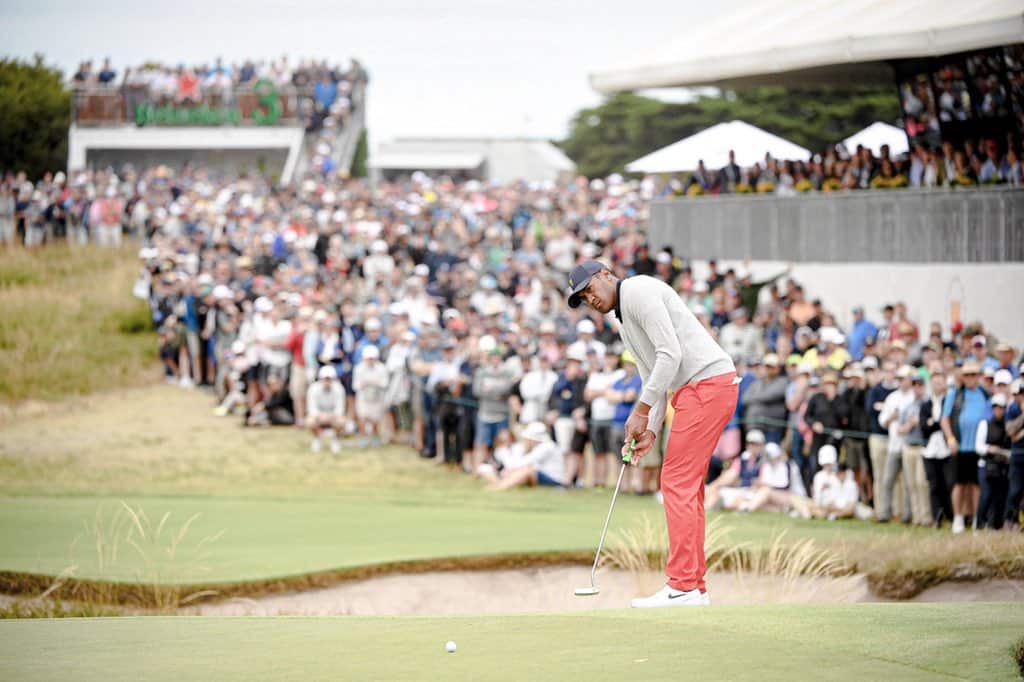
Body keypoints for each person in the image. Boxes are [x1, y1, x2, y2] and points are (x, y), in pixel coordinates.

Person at [567, 260, 737, 608]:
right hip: (696, 390)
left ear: (605, 274)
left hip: (706, 385)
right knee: (685, 484)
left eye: (590, 290)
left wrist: (640, 410)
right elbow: (654, 381)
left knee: (676, 481)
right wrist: (650, 428)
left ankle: (684, 586)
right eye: (583, 298)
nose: (591, 299)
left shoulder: (639, 291)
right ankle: (693, 586)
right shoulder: (625, 320)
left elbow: (670, 354)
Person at [941, 361, 990, 533]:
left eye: (974, 375)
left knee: (976, 484)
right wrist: (950, 439)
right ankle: (958, 518)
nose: (970, 378)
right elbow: (945, 418)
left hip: (978, 447)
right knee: (959, 483)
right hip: (960, 446)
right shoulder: (955, 394)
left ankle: (977, 518)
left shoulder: (983, 394)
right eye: (967, 375)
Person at [877, 366, 916, 523]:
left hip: (908, 445)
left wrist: (907, 424)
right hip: (893, 445)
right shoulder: (892, 397)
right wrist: (891, 418)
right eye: (899, 379)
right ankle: (884, 513)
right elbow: (882, 421)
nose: (901, 382)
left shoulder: (914, 397)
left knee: (908, 482)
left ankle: (908, 515)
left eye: (903, 379)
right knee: (887, 480)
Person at [584, 349, 624, 487]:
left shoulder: (620, 374)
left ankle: (612, 482)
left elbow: (618, 394)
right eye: (608, 357)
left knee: (613, 452)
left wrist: (601, 392)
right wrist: (606, 391)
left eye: (612, 357)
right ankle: (598, 481)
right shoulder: (596, 374)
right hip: (597, 418)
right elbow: (588, 395)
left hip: (612, 418)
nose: (610, 360)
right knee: (598, 452)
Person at [920, 371, 954, 526]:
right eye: (934, 383)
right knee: (933, 484)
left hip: (946, 449)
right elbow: (924, 426)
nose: (937, 386)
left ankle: (950, 514)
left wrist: (933, 422)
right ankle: (937, 517)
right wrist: (936, 424)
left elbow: (944, 422)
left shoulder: (949, 401)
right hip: (930, 450)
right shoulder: (926, 404)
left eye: (940, 383)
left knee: (947, 483)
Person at [488, 422, 564, 490]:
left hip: (554, 480)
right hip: (542, 476)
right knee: (525, 470)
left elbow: (527, 461)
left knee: (527, 470)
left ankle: (500, 487)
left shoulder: (547, 446)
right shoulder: (543, 446)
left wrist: (511, 469)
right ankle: (500, 485)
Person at [975, 393, 1011, 530]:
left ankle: (995, 525)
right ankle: (979, 524)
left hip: (1001, 466)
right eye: (996, 407)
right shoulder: (985, 424)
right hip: (986, 465)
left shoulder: (1006, 426)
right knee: (986, 496)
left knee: (999, 498)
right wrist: (990, 449)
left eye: (1002, 407)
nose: (999, 410)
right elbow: (978, 447)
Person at [705, 429, 764, 511]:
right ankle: (708, 505)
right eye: (751, 443)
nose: (753, 446)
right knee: (717, 492)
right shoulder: (741, 460)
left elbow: (762, 482)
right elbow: (731, 476)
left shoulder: (764, 461)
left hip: (753, 492)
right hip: (741, 490)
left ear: (761, 445)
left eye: (756, 444)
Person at [353, 345, 390, 447]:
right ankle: (363, 438)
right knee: (362, 418)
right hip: (363, 398)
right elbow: (356, 385)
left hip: (377, 398)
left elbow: (385, 383)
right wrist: (366, 383)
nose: (370, 360)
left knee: (375, 420)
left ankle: (375, 439)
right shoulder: (359, 368)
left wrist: (373, 383)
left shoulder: (381, 368)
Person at [306, 365, 346, 454]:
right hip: (319, 416)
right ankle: (317, 439)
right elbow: (311, 408)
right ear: (321, 379)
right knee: (310, 421)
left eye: (329, 379)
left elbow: (340, 409)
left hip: (333, 416)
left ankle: (335, 440)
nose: (327, 381)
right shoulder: (313, 388)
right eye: (325, 379)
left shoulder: (339, 388)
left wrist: (331, 416)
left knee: (342, 421)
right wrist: (320, 416)